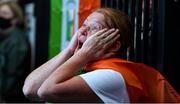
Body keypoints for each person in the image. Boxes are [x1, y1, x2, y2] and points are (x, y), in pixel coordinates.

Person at [23, 8, 180, 103]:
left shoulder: (112, 75)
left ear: (113, 45)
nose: (82, 31)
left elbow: (46, 90)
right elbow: (30, 89)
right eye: (84, 25)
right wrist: (70, 50)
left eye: (94, 28)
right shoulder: (88, 65)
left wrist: (83, 53)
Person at [0, 1, 30, 102]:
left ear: (15, 19)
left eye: (4, 14)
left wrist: (4, 96)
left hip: (10, 97)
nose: (1, 16)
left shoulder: (17, 40)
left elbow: (13, 73)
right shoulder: (5, 37)